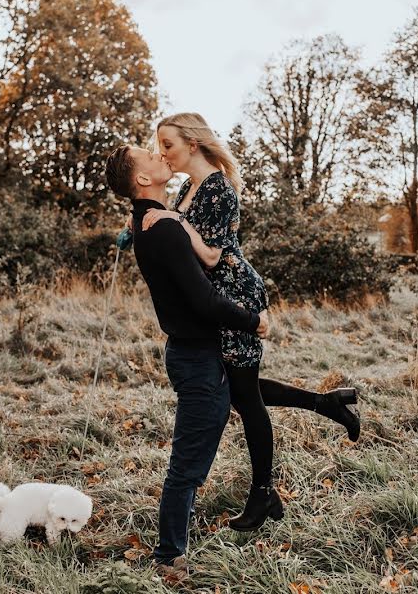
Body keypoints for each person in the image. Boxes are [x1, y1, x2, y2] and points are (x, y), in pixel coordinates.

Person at [142, 112, 360, 532]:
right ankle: (325, 404)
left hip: (233, 294)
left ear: (192, 143)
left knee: (243, 396)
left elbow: (209, 256)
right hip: (211, 300)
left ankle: (263, 493)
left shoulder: (219, 190)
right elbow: (175, 241)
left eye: (167, 144)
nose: (162, 152)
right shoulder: (190, 187)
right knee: (239, 391)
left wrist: (173, 220)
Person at [104, 144, 270, 575]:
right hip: (198, 358)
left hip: (189, 353)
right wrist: (253, 320)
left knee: (207, 442)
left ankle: (319, 414)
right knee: (188, 466)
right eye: (151, 156)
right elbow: (205, 300)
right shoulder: (161, 229)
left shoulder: (147, 220)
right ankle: (168, 557)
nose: (161, 157)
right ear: (143, 179)